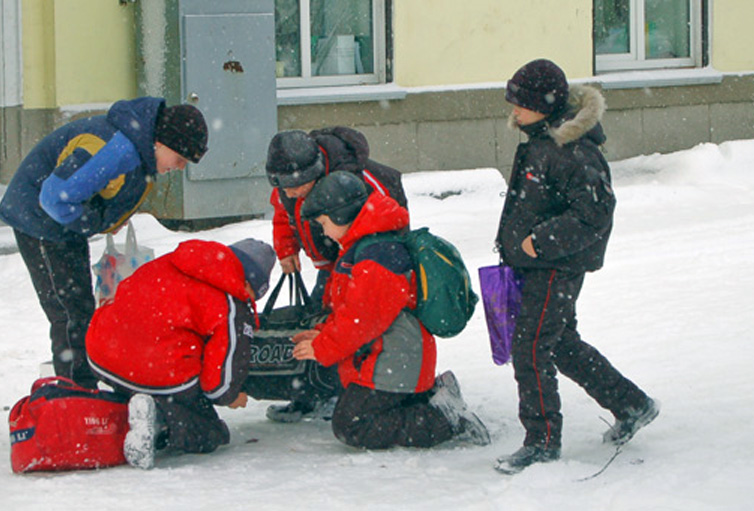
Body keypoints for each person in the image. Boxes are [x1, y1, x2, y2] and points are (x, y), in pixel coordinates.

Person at [492, 59, 659, 474]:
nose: (513, 110)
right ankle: (632, 403)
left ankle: (542, 442)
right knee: (560, 343)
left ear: (544, 105)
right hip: (534, 264)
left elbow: (594, 214)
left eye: (520, 103)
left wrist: (538, 242)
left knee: (531, 348)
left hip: (554, 267)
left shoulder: (573, 150)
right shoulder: (539, 139)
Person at [0, 97, 208, 388]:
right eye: (181, 158)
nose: (181, 167)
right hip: (39, 220)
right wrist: (91, 221)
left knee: (79, 307)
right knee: (69, 311)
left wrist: (101, 219)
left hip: (62, 225)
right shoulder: (113, 148)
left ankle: (83, 384)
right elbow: (54, 198)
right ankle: (77, 393)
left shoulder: (137, 147)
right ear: (161, 141)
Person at [292, 172, 490, 450]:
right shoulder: (367, 247)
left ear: (340, 215)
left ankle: (445, 418)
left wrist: (322, 347)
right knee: (362, 411)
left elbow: (362, 321)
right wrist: (321, 334)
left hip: (395, 361)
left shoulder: (377, 257)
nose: (323, 232)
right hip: (392, 358)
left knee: (353, 425)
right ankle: (433, 398)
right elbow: (352, 311)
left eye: (323, 223)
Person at [85, 238, 275, 469]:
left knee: (141, 374)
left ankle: (123, 406)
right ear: (247, 283)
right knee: (210, 434)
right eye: (254, 295)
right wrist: (230, 397)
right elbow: (220, 382)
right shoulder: (231, 302)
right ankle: (159, 422)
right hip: (155, 368)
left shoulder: (173, 261)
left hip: (102, 352)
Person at [262, 126, 408, 422]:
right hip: (329, 262)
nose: (289, 192)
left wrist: (366, 266)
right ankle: (308, 393)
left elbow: (388, 221)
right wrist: (286, 247)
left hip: (362, 261)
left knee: (352, 323)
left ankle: (350, 392)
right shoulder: (289, 183)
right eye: (282, 186)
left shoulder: (359, 179)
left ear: (314, 173)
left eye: (295, 186)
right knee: (317, 324)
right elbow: (283, 210)